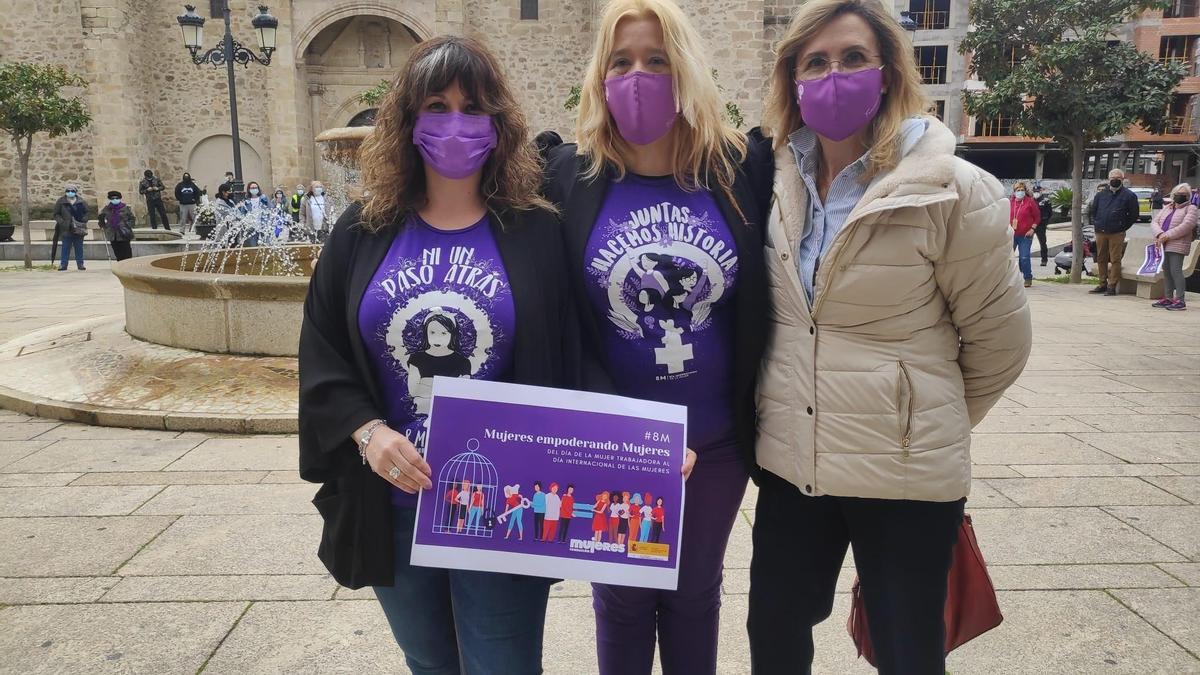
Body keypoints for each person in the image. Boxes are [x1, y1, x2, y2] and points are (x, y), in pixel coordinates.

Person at [749, 2, 1033, 674]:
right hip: (796, 464)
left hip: (904, 475)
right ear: (792, 79)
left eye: (853, 58)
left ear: (888, 72)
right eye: (814, 62)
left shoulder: (952, 189)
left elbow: (1000, 342)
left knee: (907, 649)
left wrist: (916, 420)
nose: (833, 75)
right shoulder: (772, 178)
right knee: (774, 631)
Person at [297, 35, 576, 675]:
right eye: (436, 106)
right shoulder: (364, 228)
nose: (456, 124)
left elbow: (572, 351)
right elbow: (321, 349)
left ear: (497, 124)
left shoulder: (534, 230)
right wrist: (368, 434)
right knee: (427, 664)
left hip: (500, 507)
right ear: (407, 122)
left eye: (472, 108)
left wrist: (642, 446)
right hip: (393, 503)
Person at [542, 1, 772, 671]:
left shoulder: (738, 170)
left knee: (695, 590)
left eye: (658, 60)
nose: (638, 75)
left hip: (716, 438)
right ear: (599, 76)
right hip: (617, 440)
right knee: (621, 594)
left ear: (688, 69)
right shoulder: (570, 177)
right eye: (622, 62)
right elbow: (554, 310)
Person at [1087, 168, 1139, 296]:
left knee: (1115, 259)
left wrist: (1122, 227)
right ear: (1108, 179)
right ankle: (1102, 283)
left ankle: (1112, 285)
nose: (1115, 180)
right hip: (1101, 231)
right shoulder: (1101, 195)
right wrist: (1097, 223)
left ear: (1122, 179)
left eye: (1118, 178)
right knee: (1101, 258)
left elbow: (1133, 215)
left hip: (1117, 232)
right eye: (1112, 178)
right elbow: (1093, 211)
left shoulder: (1129, 195)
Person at [1151, 182, 1196, 311]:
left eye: (1184, 195)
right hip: (1162, 244)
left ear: (1188, 196)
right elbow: (1155, 222)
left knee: (1176, 271)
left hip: (1177, 244)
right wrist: (1160, 234)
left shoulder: (1191, 208)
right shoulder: (1168, 207)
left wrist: (1167, 235)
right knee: (1166, 271)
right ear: (1173, 195)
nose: (1180, 196)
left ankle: (1180, 300)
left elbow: (1186, 226)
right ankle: (1168, 297)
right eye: (1178, 194)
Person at [1011, 181, 1040, 288]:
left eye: (1022, 190)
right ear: (1014, 192)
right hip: (1012, 234)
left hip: (1025, 235)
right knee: (1007, 257)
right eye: (1018, 190)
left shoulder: (1030, 202)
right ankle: (1008, 278)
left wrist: (1032, 229)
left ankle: (1028, 277)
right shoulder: (1010, 202)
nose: (1020, 192)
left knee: (1024, 257)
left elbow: (1037, 217)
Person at [52, 183, 88, 271]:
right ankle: (63, 264)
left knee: (79, 247)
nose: (70, 192)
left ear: (75, 192)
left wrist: (83, 220)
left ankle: (80, 264)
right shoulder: (61, 201)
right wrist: (62, 222)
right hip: (66, 228)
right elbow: (56, 214)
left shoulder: (81, 201)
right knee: (65, 247)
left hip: (78, 227)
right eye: (68, 191)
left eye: (72, 191)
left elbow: (87, 212)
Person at [98, 190, 135, 261]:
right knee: (117, 252)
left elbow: (132, 219)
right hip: (112, 234)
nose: (115, 200)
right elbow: (102, 222)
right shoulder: (106, 209)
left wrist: (127, 225)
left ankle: (127, 265)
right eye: (113, 199)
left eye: (117, 198)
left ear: (120, 198)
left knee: (126, 251)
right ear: (110, 199)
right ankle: (120, 265)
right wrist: (101, 221)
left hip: (123, 233)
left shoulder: (125, 208)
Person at [1033, 184, 1053, 266]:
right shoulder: (1031, 200)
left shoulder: (1046, 201)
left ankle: (1044, 260)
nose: (1036, 193)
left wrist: (1045, 221)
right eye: (1035, 192)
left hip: (1041, 224)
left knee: (1042, 242)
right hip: (1031, 224)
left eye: (1037, 191)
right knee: (1026, 241)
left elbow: (1050, 213)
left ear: (1041, 191)